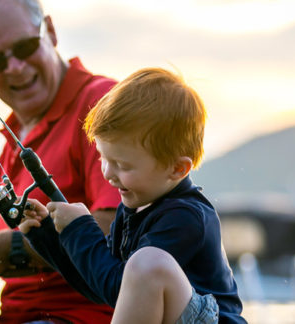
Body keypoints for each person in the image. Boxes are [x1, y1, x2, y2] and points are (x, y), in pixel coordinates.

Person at [0, 0, 121, 323]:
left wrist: (5, 251)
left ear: (52, 32)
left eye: (25, 46)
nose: (14, 67)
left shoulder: (101, 105)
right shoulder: (18, 137)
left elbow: (117, 227)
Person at [19, 67, 246, 324]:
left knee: (147, 262)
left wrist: (80, 228)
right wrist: (47, 234)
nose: (107, 174)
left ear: (177, 168)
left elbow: (118, 288)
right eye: (103, 159)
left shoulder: (186, 216)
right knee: (140, 265)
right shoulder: (134, 210)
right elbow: (99, 287)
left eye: (123, 165)